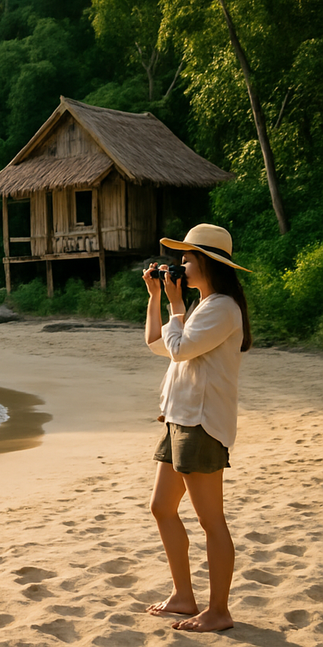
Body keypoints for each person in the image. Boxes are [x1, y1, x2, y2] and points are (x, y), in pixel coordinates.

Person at [143, 223, 252, 633]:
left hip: (201, 425)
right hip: (179, 421)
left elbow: (181, 347)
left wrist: (175, 306)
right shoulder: (205, 307)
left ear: (206, 263)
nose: (181, 267)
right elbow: (160, 344)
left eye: (187, 259)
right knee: (161, 508)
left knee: (212, 521)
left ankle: (219, 610)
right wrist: (157, 299)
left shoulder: (223, 307)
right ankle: (184, 597)